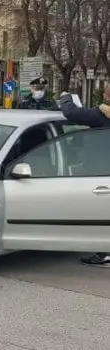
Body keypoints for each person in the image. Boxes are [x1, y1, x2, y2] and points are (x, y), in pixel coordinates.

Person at [58, 87, 110, 267]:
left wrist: (65, 98)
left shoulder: (101, 115)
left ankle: (105, 253)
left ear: (106, 97)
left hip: (101, 171)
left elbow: (71, 113)